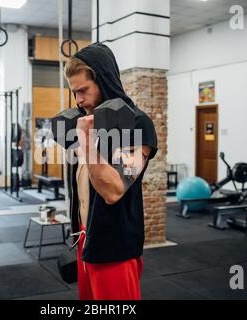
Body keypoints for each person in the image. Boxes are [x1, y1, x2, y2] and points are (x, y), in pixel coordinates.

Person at [64, 43, 158, 300]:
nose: (79, 100)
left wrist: (84, 140)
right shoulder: (90, 122)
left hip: (114, 246)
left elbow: (113, 190)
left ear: (104, 82)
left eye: (83, 90)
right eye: (74, 93)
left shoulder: (136, 123)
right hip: (87, 237)